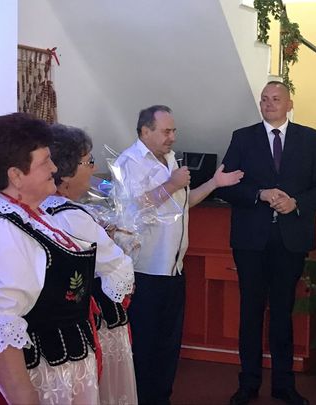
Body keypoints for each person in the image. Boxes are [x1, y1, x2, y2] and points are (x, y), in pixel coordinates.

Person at [0, 113, 126, 405]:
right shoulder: (0, 231)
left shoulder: (30, 216)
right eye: (45, 162)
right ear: (16, 175)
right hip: (29, 379)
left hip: (55, 370)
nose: (54, 168)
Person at [113, 105, 244, 405]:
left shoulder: (170, 159)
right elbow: (134, 209)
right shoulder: (129, 162)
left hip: (173, 269)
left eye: (174, 131)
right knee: (144, 346)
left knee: (168, 345)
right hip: (145, 270)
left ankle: (162, 398)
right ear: (145, 131)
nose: (172, 137)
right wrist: (171, 184)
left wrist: (214, 183)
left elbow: (183, 203)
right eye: (166, 131)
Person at [217, 81, 316, 405]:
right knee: (250, 313)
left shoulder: (309, 138)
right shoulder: (243, 137)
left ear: (289, 104)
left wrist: (296, 203)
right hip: (250, 242)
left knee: (283, 314)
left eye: (276, 99)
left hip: (290, 240)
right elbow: (225, 185)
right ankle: (248, 383)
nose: (269, 104)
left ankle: (284, 385)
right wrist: (259, 194)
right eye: (265, 99)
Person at [40, 124, 137, 404]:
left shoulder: (39, 208)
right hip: (83, 325)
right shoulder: (74, 216)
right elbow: (118, 270)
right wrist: (122, 245)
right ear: (65, 172)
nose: (93, 168)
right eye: (88, 161)